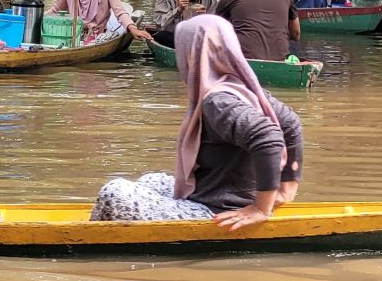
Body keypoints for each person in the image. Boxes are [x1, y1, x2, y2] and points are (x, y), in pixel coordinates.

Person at [90, 15, 303, 225]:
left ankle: (91, 241)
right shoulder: (244, 88)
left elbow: (267, 137)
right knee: (150, 181)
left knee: (113, 192)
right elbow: (290, 122)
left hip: (217, 211)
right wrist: (286, 189)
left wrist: (261, 208)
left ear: (192, 56)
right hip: (212, 193)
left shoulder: (217, 102)